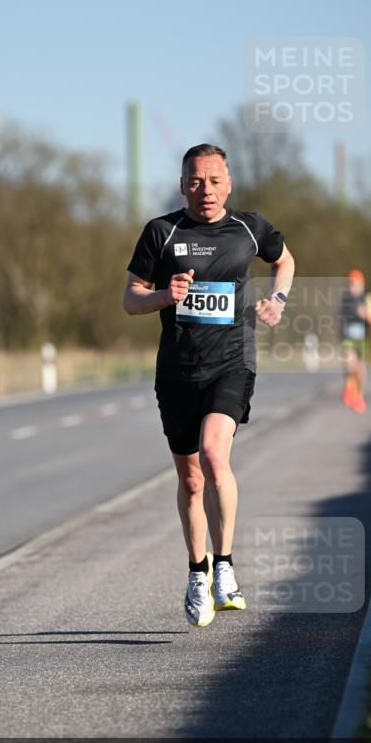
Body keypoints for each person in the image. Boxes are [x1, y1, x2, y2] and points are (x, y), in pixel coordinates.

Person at [123, 144, 295, 627]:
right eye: (196, 181)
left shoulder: (249, 228)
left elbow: (286, 262)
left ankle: (225, 567)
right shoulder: (162, 232)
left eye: (215, 180)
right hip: (178, 370)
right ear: (182, 185)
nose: (206, 190)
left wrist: (277, 299)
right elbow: (129, 300)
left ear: (229, 182)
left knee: (214, 454)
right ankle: (197, 572)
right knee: (191, 478)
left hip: (231, 363)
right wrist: (164, 294)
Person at [338, 269, 371, 413]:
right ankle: (349, 388)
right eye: (350, 283)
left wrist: (365, 313)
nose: (352, 287)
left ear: (362, 284)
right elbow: (337, 318)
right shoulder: (345, 298)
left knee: (361, 368)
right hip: (348, 338)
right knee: (350, 361)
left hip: (363, 339)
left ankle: (359, 396)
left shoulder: (368, 297)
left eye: (355, 284)